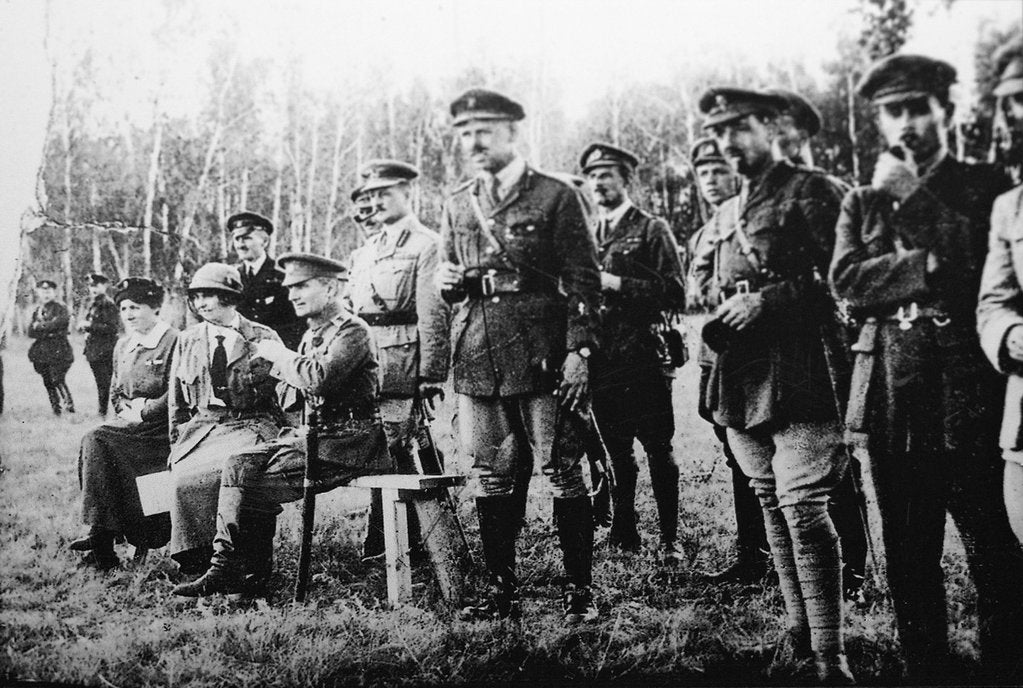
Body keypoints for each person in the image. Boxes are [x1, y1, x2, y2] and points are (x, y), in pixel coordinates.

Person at [831, 54, 1023, 683]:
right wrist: (927, 265)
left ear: (948, 110)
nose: (907, 124)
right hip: (893, 393)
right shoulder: (862, 197)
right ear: (880, 122)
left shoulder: (985, 183)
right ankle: (927, 671)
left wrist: (913, 202)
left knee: (995, 550)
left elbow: (976, 262)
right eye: (893, 112)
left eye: (918, 108)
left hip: (970, 391)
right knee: (909, 554)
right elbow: (848, 283)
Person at [693, 88, 852, 683]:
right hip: (745, 374)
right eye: (719, 133)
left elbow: (850, 278)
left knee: (805, 508)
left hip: (808, 368)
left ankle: (832, 657)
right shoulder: (733, 206)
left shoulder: (813, 189)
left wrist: (771, 300)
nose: (729, 143)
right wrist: (726, 306)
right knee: (769, 503)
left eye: (739, 128)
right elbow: (720, 282)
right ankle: (798, 635)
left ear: (771, 126)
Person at [436, 88, 602, 623]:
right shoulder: (458, 201)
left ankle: (579, 590)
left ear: (513, 132)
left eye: (483, 130)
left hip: (542, 354)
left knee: (562, 469)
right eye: (464, 133)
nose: (473, 141)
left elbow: (583, 279)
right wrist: (449, 284)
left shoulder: (556, 195)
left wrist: (579, 349)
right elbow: (451, 277)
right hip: (479, 354)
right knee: (490, 473)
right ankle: (500, 589)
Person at [173, 254, 391, 599]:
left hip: (352, 443)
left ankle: (250, 578)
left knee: (251, 488)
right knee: (239, 462)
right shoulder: (315, 334)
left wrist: (278, 355)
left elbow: (320, 380)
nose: (293, 296)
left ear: (331, 287)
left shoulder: (353, 331)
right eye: (290, 289)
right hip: (316, 437)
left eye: (302, 286)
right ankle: (224, 566)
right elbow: (296, 393)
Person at [765, 88, 870, 603]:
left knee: (837, 472)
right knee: (791, 480)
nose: (773, 137)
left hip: (827, 348)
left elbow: (844, 274)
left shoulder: (823, 190)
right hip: (779, 355)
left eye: (781, 126)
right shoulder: (766, 195)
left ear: (802, 134)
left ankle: (854, 570)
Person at [579, 142, 687, 562]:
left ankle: (670, 539)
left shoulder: (651, 228)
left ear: (626, 180)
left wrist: (615, 283)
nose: (598, 183)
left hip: (644, 355)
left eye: (606, 174)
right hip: (603, 359)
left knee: (658, 448)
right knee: (616, 450)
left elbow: (675, 292)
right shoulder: (586, 233)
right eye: (592, 176)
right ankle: (624, 527)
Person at [346, 160, 450, 558]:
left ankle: (406, 547)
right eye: (371, 196)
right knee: (375, 449)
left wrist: (430, 375)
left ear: (408, 193)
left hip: (402, 363)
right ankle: (385, 542)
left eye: (385, 193)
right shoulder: (367, 249)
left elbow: (433, 313)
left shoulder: (427, 245)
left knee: (398, 450)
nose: (376, 202)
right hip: (364, 363)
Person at [687, 137, 772, 586]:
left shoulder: (756, 223)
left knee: (802, 465)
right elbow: (696, 297)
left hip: (766, 358)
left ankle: (847, 565)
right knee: (737, 454)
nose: (711, 181)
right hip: (719, 359)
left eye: (719, 170)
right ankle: (754, 554)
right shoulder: (706, 233)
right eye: (703, 174)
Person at [167, 262, 285, 575]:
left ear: (230, 298)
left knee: (228, 479)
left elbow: (285, 391)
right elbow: (177, 400)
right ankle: (201, 565)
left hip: (252, 424)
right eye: (197, 296)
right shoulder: (188, 340)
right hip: (203, 427)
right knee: (182, 481)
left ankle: (244, 570)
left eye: (209, 295)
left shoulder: (261, 336)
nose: (201, 303)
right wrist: (176, 440)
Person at [69, 278, 176, 570]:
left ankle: (100, 538)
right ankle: (102, 542)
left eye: (136, 307)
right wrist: (125, 410)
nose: (128, 314)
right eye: (124, 307)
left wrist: (146, 411)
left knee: (97, 439)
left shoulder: (173, 341)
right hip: (128, 427)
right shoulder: (123, 345)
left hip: (160, 431)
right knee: (97, 442)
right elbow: (115, 389)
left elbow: (178, 392)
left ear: (155, 308)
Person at [978, 41, 1023, 548]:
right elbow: (995, 300)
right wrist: (1008, 336)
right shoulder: (1010, 207)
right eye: (1009, 101)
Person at [229, 211, 305, 350]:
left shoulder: (283, 277)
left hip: (276, 355)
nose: (240, 245)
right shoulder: (232, 277)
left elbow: (296, 326)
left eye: (246, 238)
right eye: (236, 239)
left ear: (264, 242)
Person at [28, 279, 75, 415]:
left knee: (58, 378)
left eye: (49, 291)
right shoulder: (38, 310)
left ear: (54, 292)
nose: (46, 294)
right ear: (38, 293)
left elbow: (60, 323)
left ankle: (69, 406)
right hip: (42, 350)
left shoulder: (60, 308)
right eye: (43, 291)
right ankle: (56, 409)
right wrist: (44, 326)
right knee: (47, 380)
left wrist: (41, 326)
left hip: (58, 348)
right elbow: (30, 331)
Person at [79, 273, 120, 417]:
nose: (93, 289)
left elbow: (112, 328)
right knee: (101, 382)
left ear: (105, 286)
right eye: (91, 286)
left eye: (96, 286)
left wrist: (90, 325)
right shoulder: (93, 304)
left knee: (106, 382)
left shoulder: (108, 304)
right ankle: (103, 412)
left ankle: (105, 412)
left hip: (105, 349)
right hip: (94, 349)